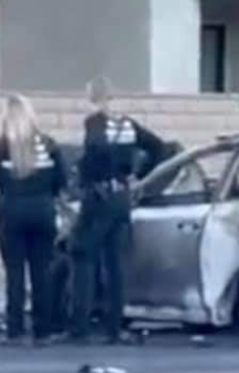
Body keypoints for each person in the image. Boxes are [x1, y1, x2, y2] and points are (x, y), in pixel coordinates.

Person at [65, 76, 165, 345]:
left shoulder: (94, 122)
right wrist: (135, 174)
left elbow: (95, 149)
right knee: (115, 265)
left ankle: (80, 327)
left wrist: (87, 173)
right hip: (122, 198)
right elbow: (158, 147)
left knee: (83, 257)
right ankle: (114, 328)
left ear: (91, 96)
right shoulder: (128, 124)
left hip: (99, 198)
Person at [0, 94, 68, 347]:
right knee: (42, 273)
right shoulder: (49, 145)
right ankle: (43, 332)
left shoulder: (3, 147)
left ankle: (16, 331)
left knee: (15, 275)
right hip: (43, 213)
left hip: (12, 214)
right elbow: (62, 181)